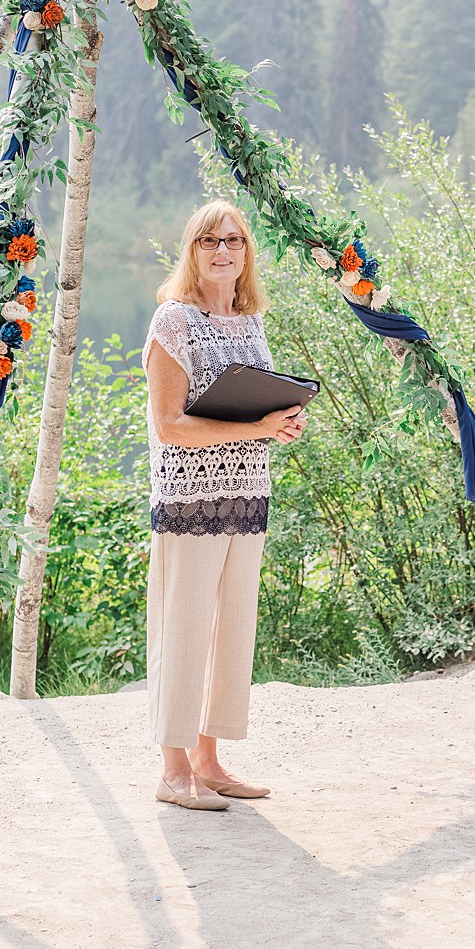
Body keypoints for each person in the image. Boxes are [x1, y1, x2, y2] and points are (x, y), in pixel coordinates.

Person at [143, 200, 307, 809]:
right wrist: (256, 426)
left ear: (246, 253)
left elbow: (252, 410)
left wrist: (280, 423)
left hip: (247, 492)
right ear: (192, 251)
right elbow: (170, 425)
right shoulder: (173, 322)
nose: (222, 250)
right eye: (210, 240)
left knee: (231, 629)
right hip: (190, 498)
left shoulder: (251, 321)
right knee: (183, 630)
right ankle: (172, 770)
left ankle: (209, 761)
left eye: (233, 241)